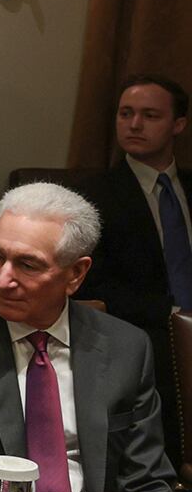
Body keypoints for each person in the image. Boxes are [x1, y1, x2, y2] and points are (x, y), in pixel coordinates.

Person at [0, 182, 174, 492]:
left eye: (27, 265)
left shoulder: (127, 348)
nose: (2, 280)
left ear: (76, 275)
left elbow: (146, 484)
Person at [78, 74, 191, 465]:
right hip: (141, 335)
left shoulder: (188, 187)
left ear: (178, 124)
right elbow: (91, 287)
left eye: (149, 115)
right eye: (126, 114)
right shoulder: (94, 195)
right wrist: (174, 316)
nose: (135, 124)